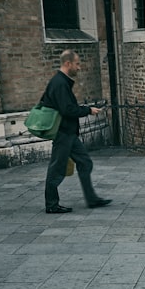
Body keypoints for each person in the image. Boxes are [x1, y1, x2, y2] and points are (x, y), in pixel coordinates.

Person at [41, 50, 111, 213]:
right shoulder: (59, 83)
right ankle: (51, 205)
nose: (79, 67)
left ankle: (92, 199)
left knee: (85, 162)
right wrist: (88, 110)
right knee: (57, 169)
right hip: (63, 133)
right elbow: (67, 110)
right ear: (68, 63)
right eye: (77, 64)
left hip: (69, 133)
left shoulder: (62, 82)